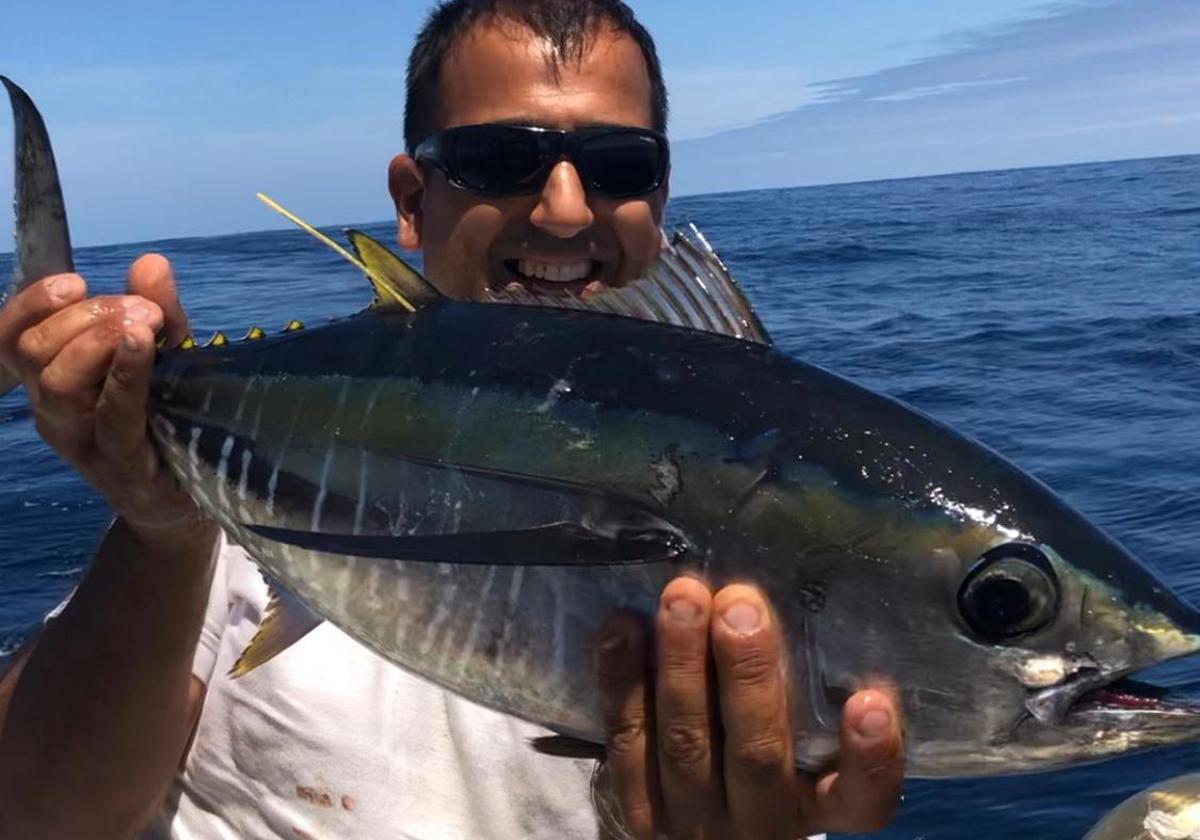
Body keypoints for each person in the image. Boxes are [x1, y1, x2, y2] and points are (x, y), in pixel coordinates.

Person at [0, 1, 905, 837]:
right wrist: (163, 528)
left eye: (620, 166)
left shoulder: (774, 638)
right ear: (409, 199)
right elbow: (36, 816)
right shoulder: (230, 518)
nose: (563, 207)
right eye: (502, 160)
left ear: (661, 200)